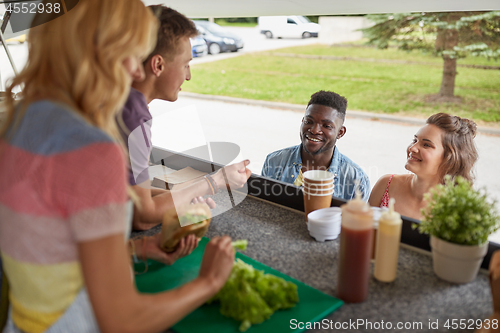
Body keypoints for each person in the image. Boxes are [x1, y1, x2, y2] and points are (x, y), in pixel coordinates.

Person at [0, 1, 235, 332]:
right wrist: (209, 281)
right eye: (130, 54)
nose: (137, 72)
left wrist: (137, 248)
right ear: (98, 51)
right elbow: (122, 320)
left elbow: (49, 246)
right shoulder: (92, 151)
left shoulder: (18, 122)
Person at [117, 5, 251, 231]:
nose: (188, 76)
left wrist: (181, 200)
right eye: (185, 65)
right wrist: (215, 182)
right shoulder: (133, 117)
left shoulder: (117, 98)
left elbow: (129, 194)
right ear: (158, 65)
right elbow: (142, 216)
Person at [261, 90, 370, 200]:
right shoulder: (274, 162)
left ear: (340, 132)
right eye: (309, 122)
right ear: (302, 121)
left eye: (326, 126)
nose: (314, 130)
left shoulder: (357, 180)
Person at [368, 113, 478, 220]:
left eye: (426, 145)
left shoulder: (456, 209)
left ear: (450, 158)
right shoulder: (386, 184)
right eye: (415, 140)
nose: (412, 148)